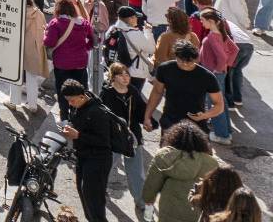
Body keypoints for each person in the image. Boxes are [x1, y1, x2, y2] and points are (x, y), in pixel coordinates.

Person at [60, 78, 119, 222]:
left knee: (94, 200)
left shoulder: (98, 112)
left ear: (82, 96)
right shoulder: (78, 106)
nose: (70, 103)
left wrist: (78, 135)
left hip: (98, 160)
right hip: (83, 157)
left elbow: (104, 142)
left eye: (72, 100)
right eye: (67, 100)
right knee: (84, 194)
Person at [145, 40, 224, 142]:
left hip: (196, 127)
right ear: (176, 56)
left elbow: (219, 105)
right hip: (170, 123)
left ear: (196, 59)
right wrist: (147, 116)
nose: (186, 64)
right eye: (182, 61)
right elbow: (157, 92)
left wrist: (205, 115)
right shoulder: (165, 69)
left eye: (190, 61)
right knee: (168, 156)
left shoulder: (207, 76)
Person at [101, 62, 149, 222]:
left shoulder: (133, 92)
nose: (126, 77)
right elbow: (101, 117)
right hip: (113, 139)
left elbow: (142, 110)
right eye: (121, 74)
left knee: (136, 172)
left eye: (127, 74)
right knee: (105, 167)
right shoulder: (106, 93)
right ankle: (99, 191)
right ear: (113, 77)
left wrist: (149, 121)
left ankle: (140, 201)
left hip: (132, 137)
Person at [144, 123, 219, 222]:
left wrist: (148, 199)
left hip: (168, 206)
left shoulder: (164, 156)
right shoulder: (211, 163)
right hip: (196, 208)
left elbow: (152, 183)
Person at [195, 11, 239, 145]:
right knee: (222, 102)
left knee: (215, 104)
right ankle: (226, 132)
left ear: (212, 21)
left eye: (203, 20)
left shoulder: (212, 37)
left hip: (213, 74)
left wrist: (218, 68)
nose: (201, 23)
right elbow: (235, 50)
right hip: (219, 73)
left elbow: (223, 56)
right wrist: (225, 66)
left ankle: (222, 135)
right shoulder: (221, 34)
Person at [48, 0, 94, 101]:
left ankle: (64, 115)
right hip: (80, 62)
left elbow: (49, 43)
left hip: (62, 63)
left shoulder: (55, 23)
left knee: (63, 92)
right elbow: (94, 40)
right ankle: (79, 114)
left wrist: (45, 34)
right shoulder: (84, 23)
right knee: (81, 91)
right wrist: (85, 48)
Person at [19, 0, 51, 114]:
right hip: (34, 47)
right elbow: (45, 29)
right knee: (32, 77)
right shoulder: (38, 13)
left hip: (19, 46)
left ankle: (13, 100)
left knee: (14, 75)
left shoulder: (17, 13)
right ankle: (32, 104)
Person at [155, 6, 197, 70]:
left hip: (170, 74)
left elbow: (160, 59)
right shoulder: (193, 36)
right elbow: (196, 59)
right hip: (189, 73)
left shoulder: (165, 37)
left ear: (171, 22)